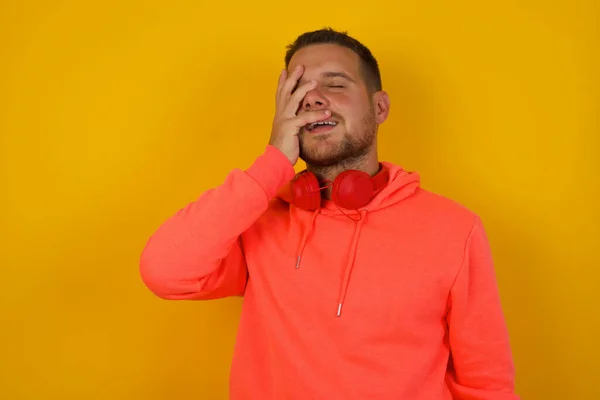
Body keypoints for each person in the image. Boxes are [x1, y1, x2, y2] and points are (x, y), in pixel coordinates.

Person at [139, 27, 519, 400]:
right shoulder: (258, 221)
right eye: (297, 90)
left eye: (335, 84)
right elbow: (165, 272)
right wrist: (272, 164)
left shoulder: (455, 229)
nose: (313, 99)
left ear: (380, 106)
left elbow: (487, 386)